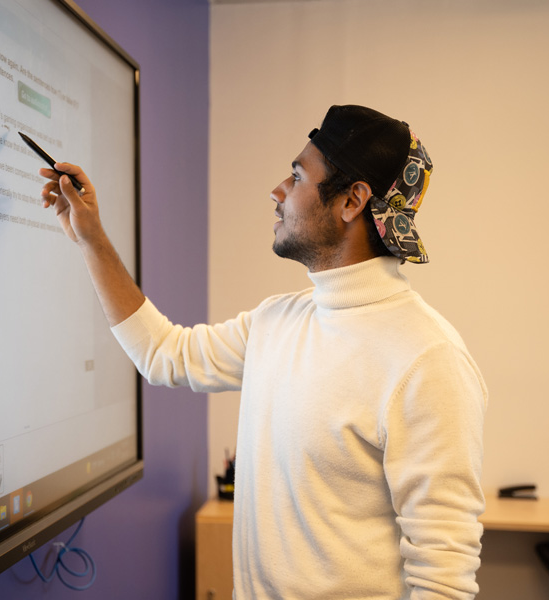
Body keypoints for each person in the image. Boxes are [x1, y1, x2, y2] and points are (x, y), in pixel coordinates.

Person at [39, 105, 487, 600]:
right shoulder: (278, 321)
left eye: (296, 176)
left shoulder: (427, 359)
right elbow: (165, 354)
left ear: (352, 200)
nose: (278, 192)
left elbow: (443, 576)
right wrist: (91, 239)